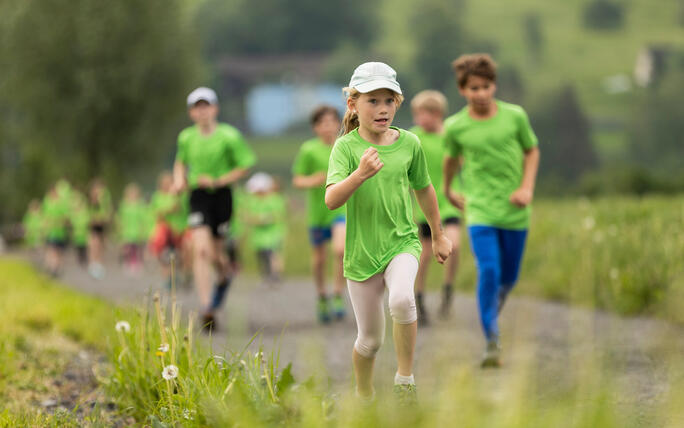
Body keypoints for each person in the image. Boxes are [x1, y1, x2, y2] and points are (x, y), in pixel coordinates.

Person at [325, 62, 452, 403]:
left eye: (388, 100)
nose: (382, 109)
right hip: (362, 252)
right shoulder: (346, 148)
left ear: (398, 102)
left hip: (403, 242)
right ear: (353, 104)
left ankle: (405, 379)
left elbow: (425, 189)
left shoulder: (409, 143)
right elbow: (331, 199)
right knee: (369, 341)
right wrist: (359, 175)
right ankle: (363, 393)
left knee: (401, 299)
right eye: (372, 101)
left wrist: (438, 235)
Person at [442, 54, 540, 368]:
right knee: (489, 270)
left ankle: (490, 312)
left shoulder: (515, 116)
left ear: (494, 86)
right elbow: (450, 159)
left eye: (486, 87)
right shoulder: (455, 126)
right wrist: (447, 189)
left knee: (509, 277)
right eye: (474, 88)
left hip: (514, 211)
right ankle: (491, 339)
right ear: (462, 90)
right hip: (480, 209)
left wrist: (526, 187)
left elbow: (532, 150)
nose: (481, 94)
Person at [172, 86, 256, 331]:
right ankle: (207, 307)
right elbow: (180, 162)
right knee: (200, 250)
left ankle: (224, 273)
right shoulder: (186, 137)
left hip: (222, 195)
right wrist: (179, 180)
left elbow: (245, 165)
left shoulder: (229, 136)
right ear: (191, 113)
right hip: (198, 195)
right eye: (197, 107)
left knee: (216, 254)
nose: (202, 111)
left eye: (206, 105)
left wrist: (219, 180)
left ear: (215, 109)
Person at [410, 90, 463, 325]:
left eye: (426, 113)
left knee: (455, 245)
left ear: (438, 114)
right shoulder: (413, 137)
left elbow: (463, 163)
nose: (421, 118)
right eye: (418, 113)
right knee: (424, 255)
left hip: (449, 202)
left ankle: (448, 290)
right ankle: (418, 299)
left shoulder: (451, 137)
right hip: (424, 206)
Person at [292, 105, 347, 323]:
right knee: (319, 260)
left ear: (338, 124)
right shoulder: (308, 150)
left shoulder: (344, 147)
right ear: (315, 127)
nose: (328, 127)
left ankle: (338, 294)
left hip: (341, 209)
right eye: (322, 123)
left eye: (332, 122)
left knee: (340, 250)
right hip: (317, 213)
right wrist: (312, 180)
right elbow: (297, 179)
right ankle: (322, 295)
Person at [149, 172, 191, 289]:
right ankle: (167, 278)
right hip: (166, 230)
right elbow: (157, 213)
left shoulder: (178, 195)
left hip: (179, 229)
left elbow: (182, 208)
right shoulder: (157, 196)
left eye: (169, 182)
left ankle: (184, 276)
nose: (167, 185)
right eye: (165, 183)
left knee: (182, 253)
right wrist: (169, 210)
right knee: (165, 255)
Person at [244, 172, 286, 284]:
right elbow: (248, 216)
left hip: (273, 234)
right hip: (259, 236)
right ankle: (266, 275)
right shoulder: (253, 200)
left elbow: (276, 216)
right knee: (262, 256)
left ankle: (275, 275)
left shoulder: (274, 199)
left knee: (273, 254)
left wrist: (261, 219)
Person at [117, 183, 148, 275]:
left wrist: (143, 229)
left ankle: (137, 263)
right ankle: (127, 262)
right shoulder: (124, 205)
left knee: (137, 249)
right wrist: (120, 229)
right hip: (127, 230)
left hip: (137, 230)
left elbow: (143, 218)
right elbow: (121, 218)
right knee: (127, 248)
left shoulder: (140, 205)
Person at [41, 184, 69, 277]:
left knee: (58, 251)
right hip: (51, 231)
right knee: (51, 249)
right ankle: (52, 267)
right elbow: (45, 216)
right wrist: (44, 227)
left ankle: (56, 267)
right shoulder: (47, 201)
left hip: (60, 232)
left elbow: (65, 217)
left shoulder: (61, 203)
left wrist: (59, 222)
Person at [88, 178, 113, 279]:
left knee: (101, 244)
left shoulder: (104, 198)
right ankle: (93, 263)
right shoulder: (91, 200)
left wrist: (104, 218)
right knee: (94, 243)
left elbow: (107, 211)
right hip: (93, 224)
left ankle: (99, 263)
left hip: (101, 224)